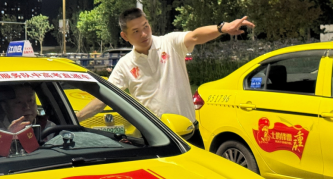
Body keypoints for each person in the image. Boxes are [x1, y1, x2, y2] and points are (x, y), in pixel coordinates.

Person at [77, 8, 254, 125]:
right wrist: (77, 118)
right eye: (136, 31)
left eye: (145, 27)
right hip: (156, 138)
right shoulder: (125, 65)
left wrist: (222, 28)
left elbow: (194, 36)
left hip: (188, 132)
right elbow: (104, 97)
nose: (144, 34)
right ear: (125, 36)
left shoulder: (170, 43)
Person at [0, 84, 54, 159]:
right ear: (5, 107)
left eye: (30, 100)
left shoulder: (48, 127)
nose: (27, 107)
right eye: (19, 102)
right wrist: (9, 135)